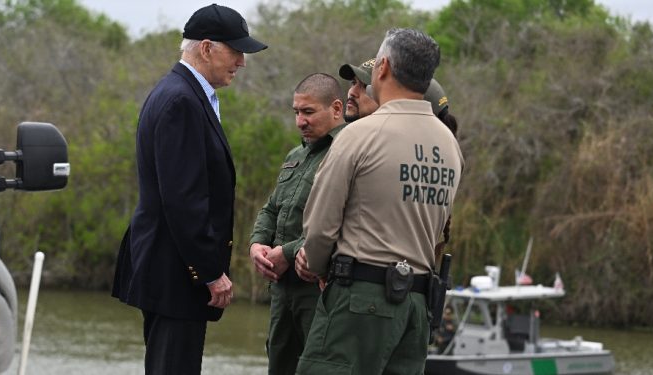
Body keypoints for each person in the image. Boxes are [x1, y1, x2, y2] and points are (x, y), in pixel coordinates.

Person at [294, 28, 464, 374]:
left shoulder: (360, 134)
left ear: (382, 67)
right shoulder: (449, 145)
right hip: (416, 307)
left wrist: (316, 266)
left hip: (358, 301)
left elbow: (319, 227)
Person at [111, 4, 267, 374]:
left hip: (172, 266)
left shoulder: (182, 94)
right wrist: (211, 273)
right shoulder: (181, 100)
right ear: (207, 48)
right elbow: (183, 199)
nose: (242, 62)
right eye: (236, 51)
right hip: (176, 271)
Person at [249, 73, 344, 375]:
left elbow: (344, 223)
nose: (300, 121)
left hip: (317, 288)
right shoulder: (296, 155)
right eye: (296, 112)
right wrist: (257, 244)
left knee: (316, 366)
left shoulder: (347, 153)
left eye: (309, 112)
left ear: (337, 109)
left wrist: (287, 253)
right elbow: (272, 208)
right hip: (282, 289)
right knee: (279, 363)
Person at [339, 59, 459, 259]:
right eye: (353, 83)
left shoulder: (370, 149)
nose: (352, 92)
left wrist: (313, 261)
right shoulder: (448, 153)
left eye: (365, 86)